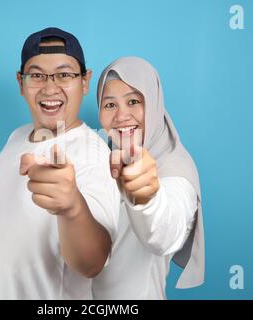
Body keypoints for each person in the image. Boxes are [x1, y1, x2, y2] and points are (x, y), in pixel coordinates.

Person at [0, 27, 119, 299]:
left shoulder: (93, 152)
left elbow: (92, 263)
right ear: (21, 83)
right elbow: (6, 246)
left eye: (64, 75)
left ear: (85, 82)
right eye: (37, 75)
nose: (50, 87)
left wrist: (73, 208)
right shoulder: (16, 138)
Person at [92, 57, 205, 299]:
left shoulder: (176, 167)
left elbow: (165, 235)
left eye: (134, 101)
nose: (122, 116)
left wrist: (146, 198)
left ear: (153, 104)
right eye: (110, 105)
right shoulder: (102, 159)